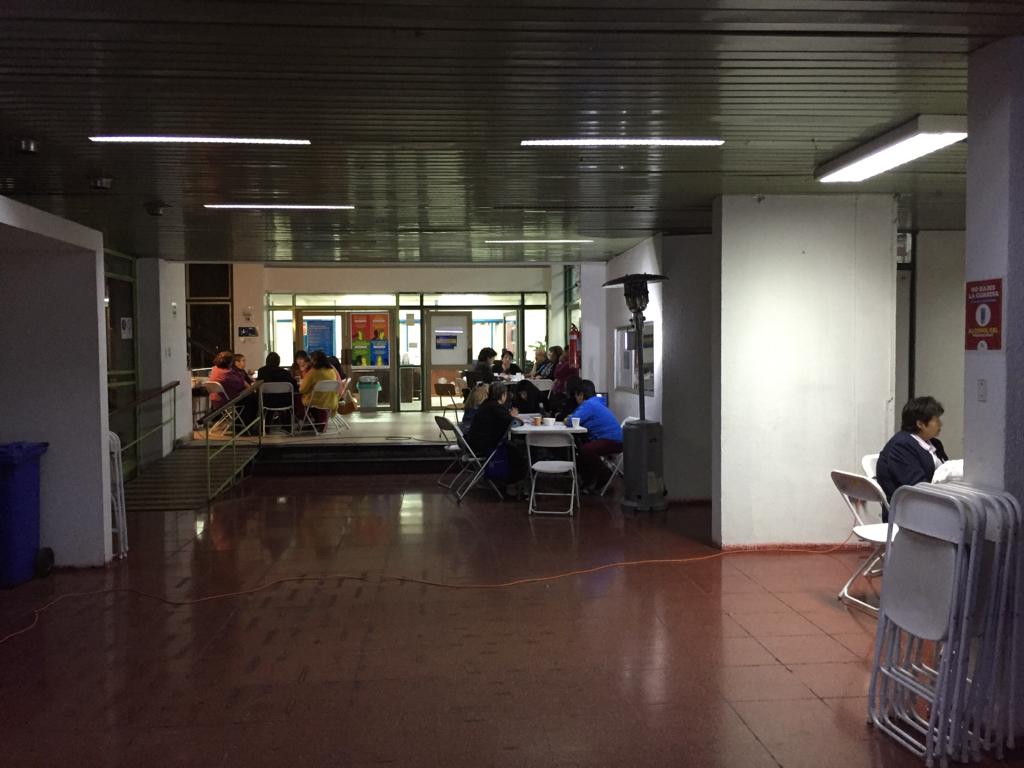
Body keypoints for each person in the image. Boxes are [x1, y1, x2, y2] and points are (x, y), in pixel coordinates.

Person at [876, 396, 950, 503]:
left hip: (933, 499)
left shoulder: (935, 443)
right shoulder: (901, 446)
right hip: (908, 506)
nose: (940, 423)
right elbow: (917, 486)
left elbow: (947, 470)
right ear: (920, 424)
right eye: (936, 420)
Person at [567, 379, 623, 492]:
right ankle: (589, 481)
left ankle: (605, 474)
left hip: (612, 441)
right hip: (615, 439)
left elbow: (571, 421)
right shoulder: (596, 403)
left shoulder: (589, 405)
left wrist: (566, 419)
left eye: (576, 395)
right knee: (582, 450)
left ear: (581, 395)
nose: (576, 399)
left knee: (585, 450)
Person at [466, 382, 525, 483]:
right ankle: (506, 482)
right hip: (483, 445)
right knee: (516, 453)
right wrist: (514, 417)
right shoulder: (496, 408)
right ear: (503, 395)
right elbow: (513, 423)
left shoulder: (485, 404)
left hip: (472, 441)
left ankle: (499, 481)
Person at [207, 350, 258, 427]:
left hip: (216, 400)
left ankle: (242, 425)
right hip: (227, 401)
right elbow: (241, 385)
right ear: (229, 363)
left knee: (250, 398)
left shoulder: (215, 369)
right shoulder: (227, 373)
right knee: (254, 399)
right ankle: (246, 427)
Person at [298, 350, 339, 430]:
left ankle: (309, 421)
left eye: (312, 360)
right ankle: (318, 423)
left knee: (299, 399)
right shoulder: (331, 371)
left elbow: (302, 390)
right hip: (331, 400)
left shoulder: (313, 372)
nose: (310, 362)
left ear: (315, 361)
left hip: (316, 400)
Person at [256, 352, 298, 428]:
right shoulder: (284, 372)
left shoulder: (261, 371)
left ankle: (265, 427)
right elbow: (294, 385)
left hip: (267, 402)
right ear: (278, 361)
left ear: (267, 361)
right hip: (284, 402)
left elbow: (258, 385)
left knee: (266, 399)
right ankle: (288, 426)